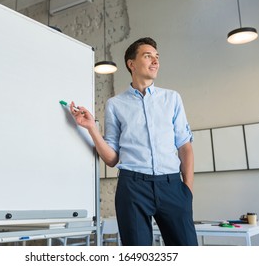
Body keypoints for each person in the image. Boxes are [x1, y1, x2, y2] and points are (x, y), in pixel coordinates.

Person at [70, 37, 198, 246]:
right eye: (148, 56)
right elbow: (112, 159)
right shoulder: (115, 104)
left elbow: (185, 147)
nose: (155, 61)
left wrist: (188, 190)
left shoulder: (172, 99)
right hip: (133, 188)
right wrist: (92, 129)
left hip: (172, 186)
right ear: (131, 64)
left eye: (157, 57)